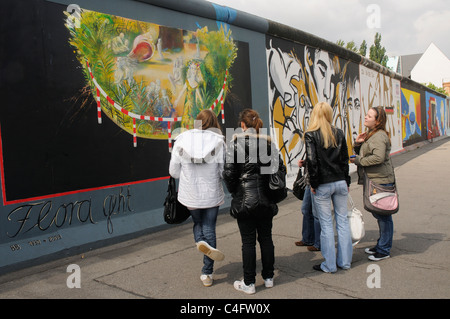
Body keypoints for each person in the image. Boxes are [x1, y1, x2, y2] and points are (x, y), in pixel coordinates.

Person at [223, 109, 279, 294]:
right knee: (266, 238)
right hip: (265, 199)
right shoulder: (268, 144)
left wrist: (236, 192)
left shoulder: (235, 145)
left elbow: (229, 174)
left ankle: (249, 283)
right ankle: (269, 277)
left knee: (248, 242)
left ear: (242, 125)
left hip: (244, 200)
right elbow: (278, 169)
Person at [169, 109, 226, 287]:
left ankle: (200, 242)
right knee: (210, 227)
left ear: (197, 121)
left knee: (198, 224)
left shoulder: (182, 139)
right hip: (211, 194)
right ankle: (207, 273)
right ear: (214, 122)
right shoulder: (219, 142)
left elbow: (174, 172)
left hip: (190, 194)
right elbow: (223, 171)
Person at [304, 102, 352, 273]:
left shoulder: (310, 134)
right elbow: (344, 159)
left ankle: (329, 265)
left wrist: (314, 184)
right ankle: (345, 262)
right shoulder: (338, 133)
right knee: (343, 221)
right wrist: (346, 180)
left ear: (315, 115)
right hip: (340, 182)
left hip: (323, 184)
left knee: (326, 225)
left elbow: (312, 161)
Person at [350, 106, 395, 261]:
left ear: (377, 121)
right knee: (379, 213)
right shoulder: (372, 135)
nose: (366, 117)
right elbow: (365, 152)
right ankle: (382, 244)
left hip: (381, 180)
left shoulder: (379, 136)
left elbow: (378, 158)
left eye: (369, 116)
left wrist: (358, 160)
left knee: (384, 215)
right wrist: (358, 144)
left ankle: (384, 249)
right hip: (375, 179)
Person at [295, 159, 321, 252]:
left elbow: (317, 158)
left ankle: (318, 243)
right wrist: (305, 162)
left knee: (316, 213)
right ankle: (308, 239)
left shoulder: (314, 144)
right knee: (306, 210)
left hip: (314, 181)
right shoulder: (309, 144)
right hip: (309, 181)